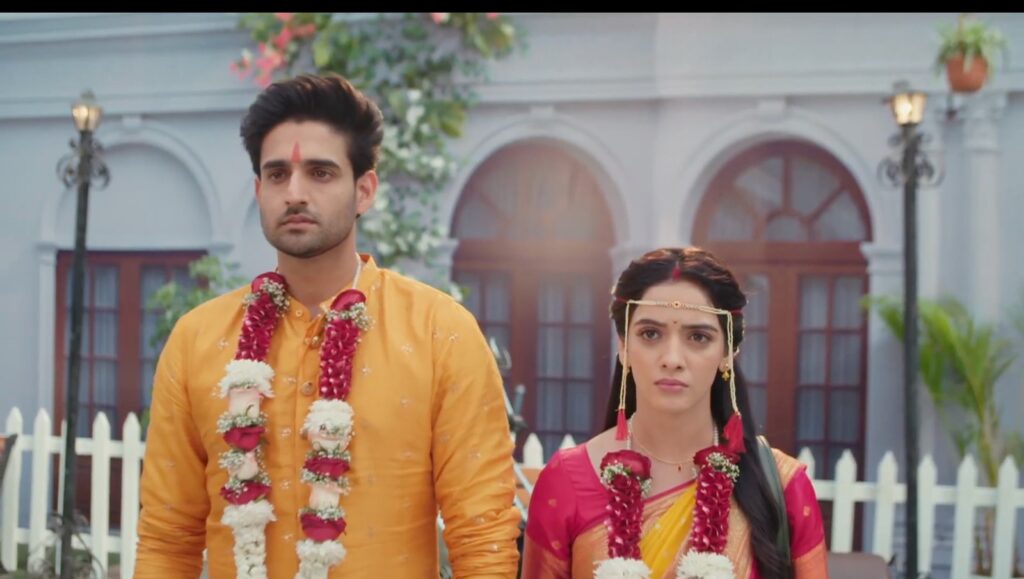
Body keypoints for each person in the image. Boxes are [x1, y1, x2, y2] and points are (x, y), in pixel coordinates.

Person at [135, 73, 521, 578]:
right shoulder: (198, 340)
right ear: (259, 191)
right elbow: (167, 539)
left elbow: (483, 538)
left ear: (364, 191)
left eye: (320, 173)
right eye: (277, 175)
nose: (294, 193)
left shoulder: (438, 332)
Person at [522, 247, 828, 578]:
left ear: (728, 352)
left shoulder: (781, 486)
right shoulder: (567, 481)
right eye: (650, 334)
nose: (672, 359)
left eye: (698, 337)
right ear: (623, 346)